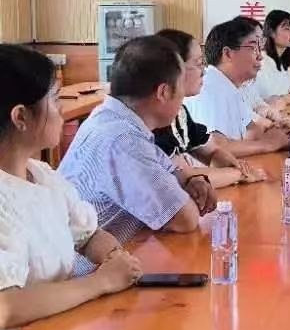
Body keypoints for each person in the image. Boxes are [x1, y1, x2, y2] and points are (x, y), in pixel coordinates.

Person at [0, 45, 141, 330]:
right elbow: (7, 308)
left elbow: (88, 235)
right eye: (54, 99)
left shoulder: (41, 174)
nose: (62, 109)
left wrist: (115, 258)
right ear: (20, 117)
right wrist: (101, 282)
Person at [59, 36, 216, 255]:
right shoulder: (123, 140)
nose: (183, 97)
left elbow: (171, 169)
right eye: (180, 86)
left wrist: (192, 179)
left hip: (118, 257)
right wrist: (186, 189)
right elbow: (184, 219)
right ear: (163, 92)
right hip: (91, 270)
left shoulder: (111, 116)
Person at [154, 29, 268, 189]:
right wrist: (240, 174)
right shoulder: (155, 120)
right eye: (199, 63)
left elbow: (212, 150)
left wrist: (237, 167)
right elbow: (184, 178)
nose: (204, 71)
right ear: (174, 69)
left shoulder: (179, 113)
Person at [185, 17, 290, 154]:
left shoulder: (230, 87)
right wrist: (269, 144)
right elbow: (215, 147)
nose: (260, 56)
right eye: (253, 48)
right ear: (228, 54)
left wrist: (277, 131)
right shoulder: (210, 88)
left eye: (259, 49)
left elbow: (251, 129)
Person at [243, 10, 290, 108]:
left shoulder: (281, 63)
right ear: (271, 32)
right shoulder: (261, 61)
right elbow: (275, 99)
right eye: (287, 29)